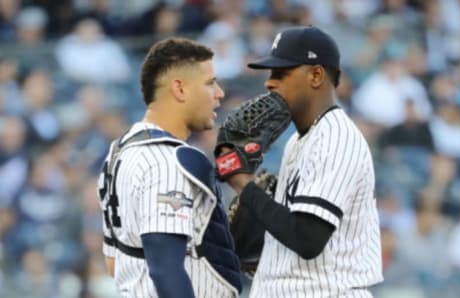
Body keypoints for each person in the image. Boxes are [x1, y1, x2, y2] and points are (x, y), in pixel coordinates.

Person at [222, 26, 383, 297]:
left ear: (316, 75)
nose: (269, 82)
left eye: (281, 73)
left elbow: (308, 239)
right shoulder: (300, 140)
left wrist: (245, 187)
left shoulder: (337, 139)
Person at [97, 37, 242, 298]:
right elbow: (165, 271)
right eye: (210, 83)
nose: (219, 92)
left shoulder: (118, 151)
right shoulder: (166, 161)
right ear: (180, 89)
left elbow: (113, 263)